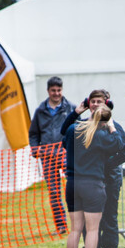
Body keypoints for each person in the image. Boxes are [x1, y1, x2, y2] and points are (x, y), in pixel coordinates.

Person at [61, 89, 125, 248]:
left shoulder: (105, 126)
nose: (94, 105)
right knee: (88, 227)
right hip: (92, 181)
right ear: (88, 103)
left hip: (98, 179)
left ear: (106, 103)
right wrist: (76, 113)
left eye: (99, 101)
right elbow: (116, 143)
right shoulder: (91, 128)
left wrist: (106, 164)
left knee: (107, 218)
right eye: (92, 101)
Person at [29, 76, 72, 236]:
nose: (56, 93)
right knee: (54, 192)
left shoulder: (70, 108)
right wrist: (35, 150)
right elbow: (33, 134)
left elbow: (79, 128)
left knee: (73, 187)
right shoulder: (40, 111)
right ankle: (61, 226)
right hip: (47, 156)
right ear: (48, 91)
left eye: (59, 90)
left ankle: (78, 222)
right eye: (53, 90)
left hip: (66, 153)